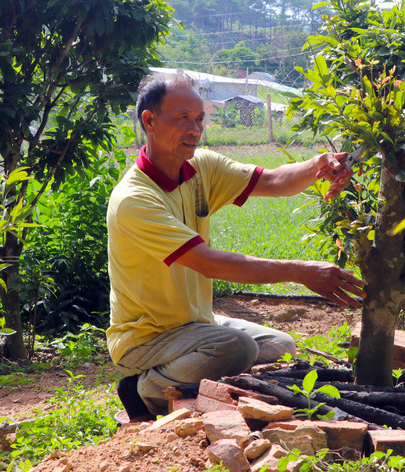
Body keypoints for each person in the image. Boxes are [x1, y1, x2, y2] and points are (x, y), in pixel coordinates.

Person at [106, 74, 366, 420]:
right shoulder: (134, 199)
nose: (195, 129)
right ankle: (144, 388)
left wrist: (317, 165)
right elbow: (209, 263)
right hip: (145, 338)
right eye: (183, 118)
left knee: (280, 345)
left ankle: (195, 371)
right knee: (238, 347)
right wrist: (301, 271)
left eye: (199, 119)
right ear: (149, 121)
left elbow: (273, 181)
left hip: (194, 324)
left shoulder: (200, 167)